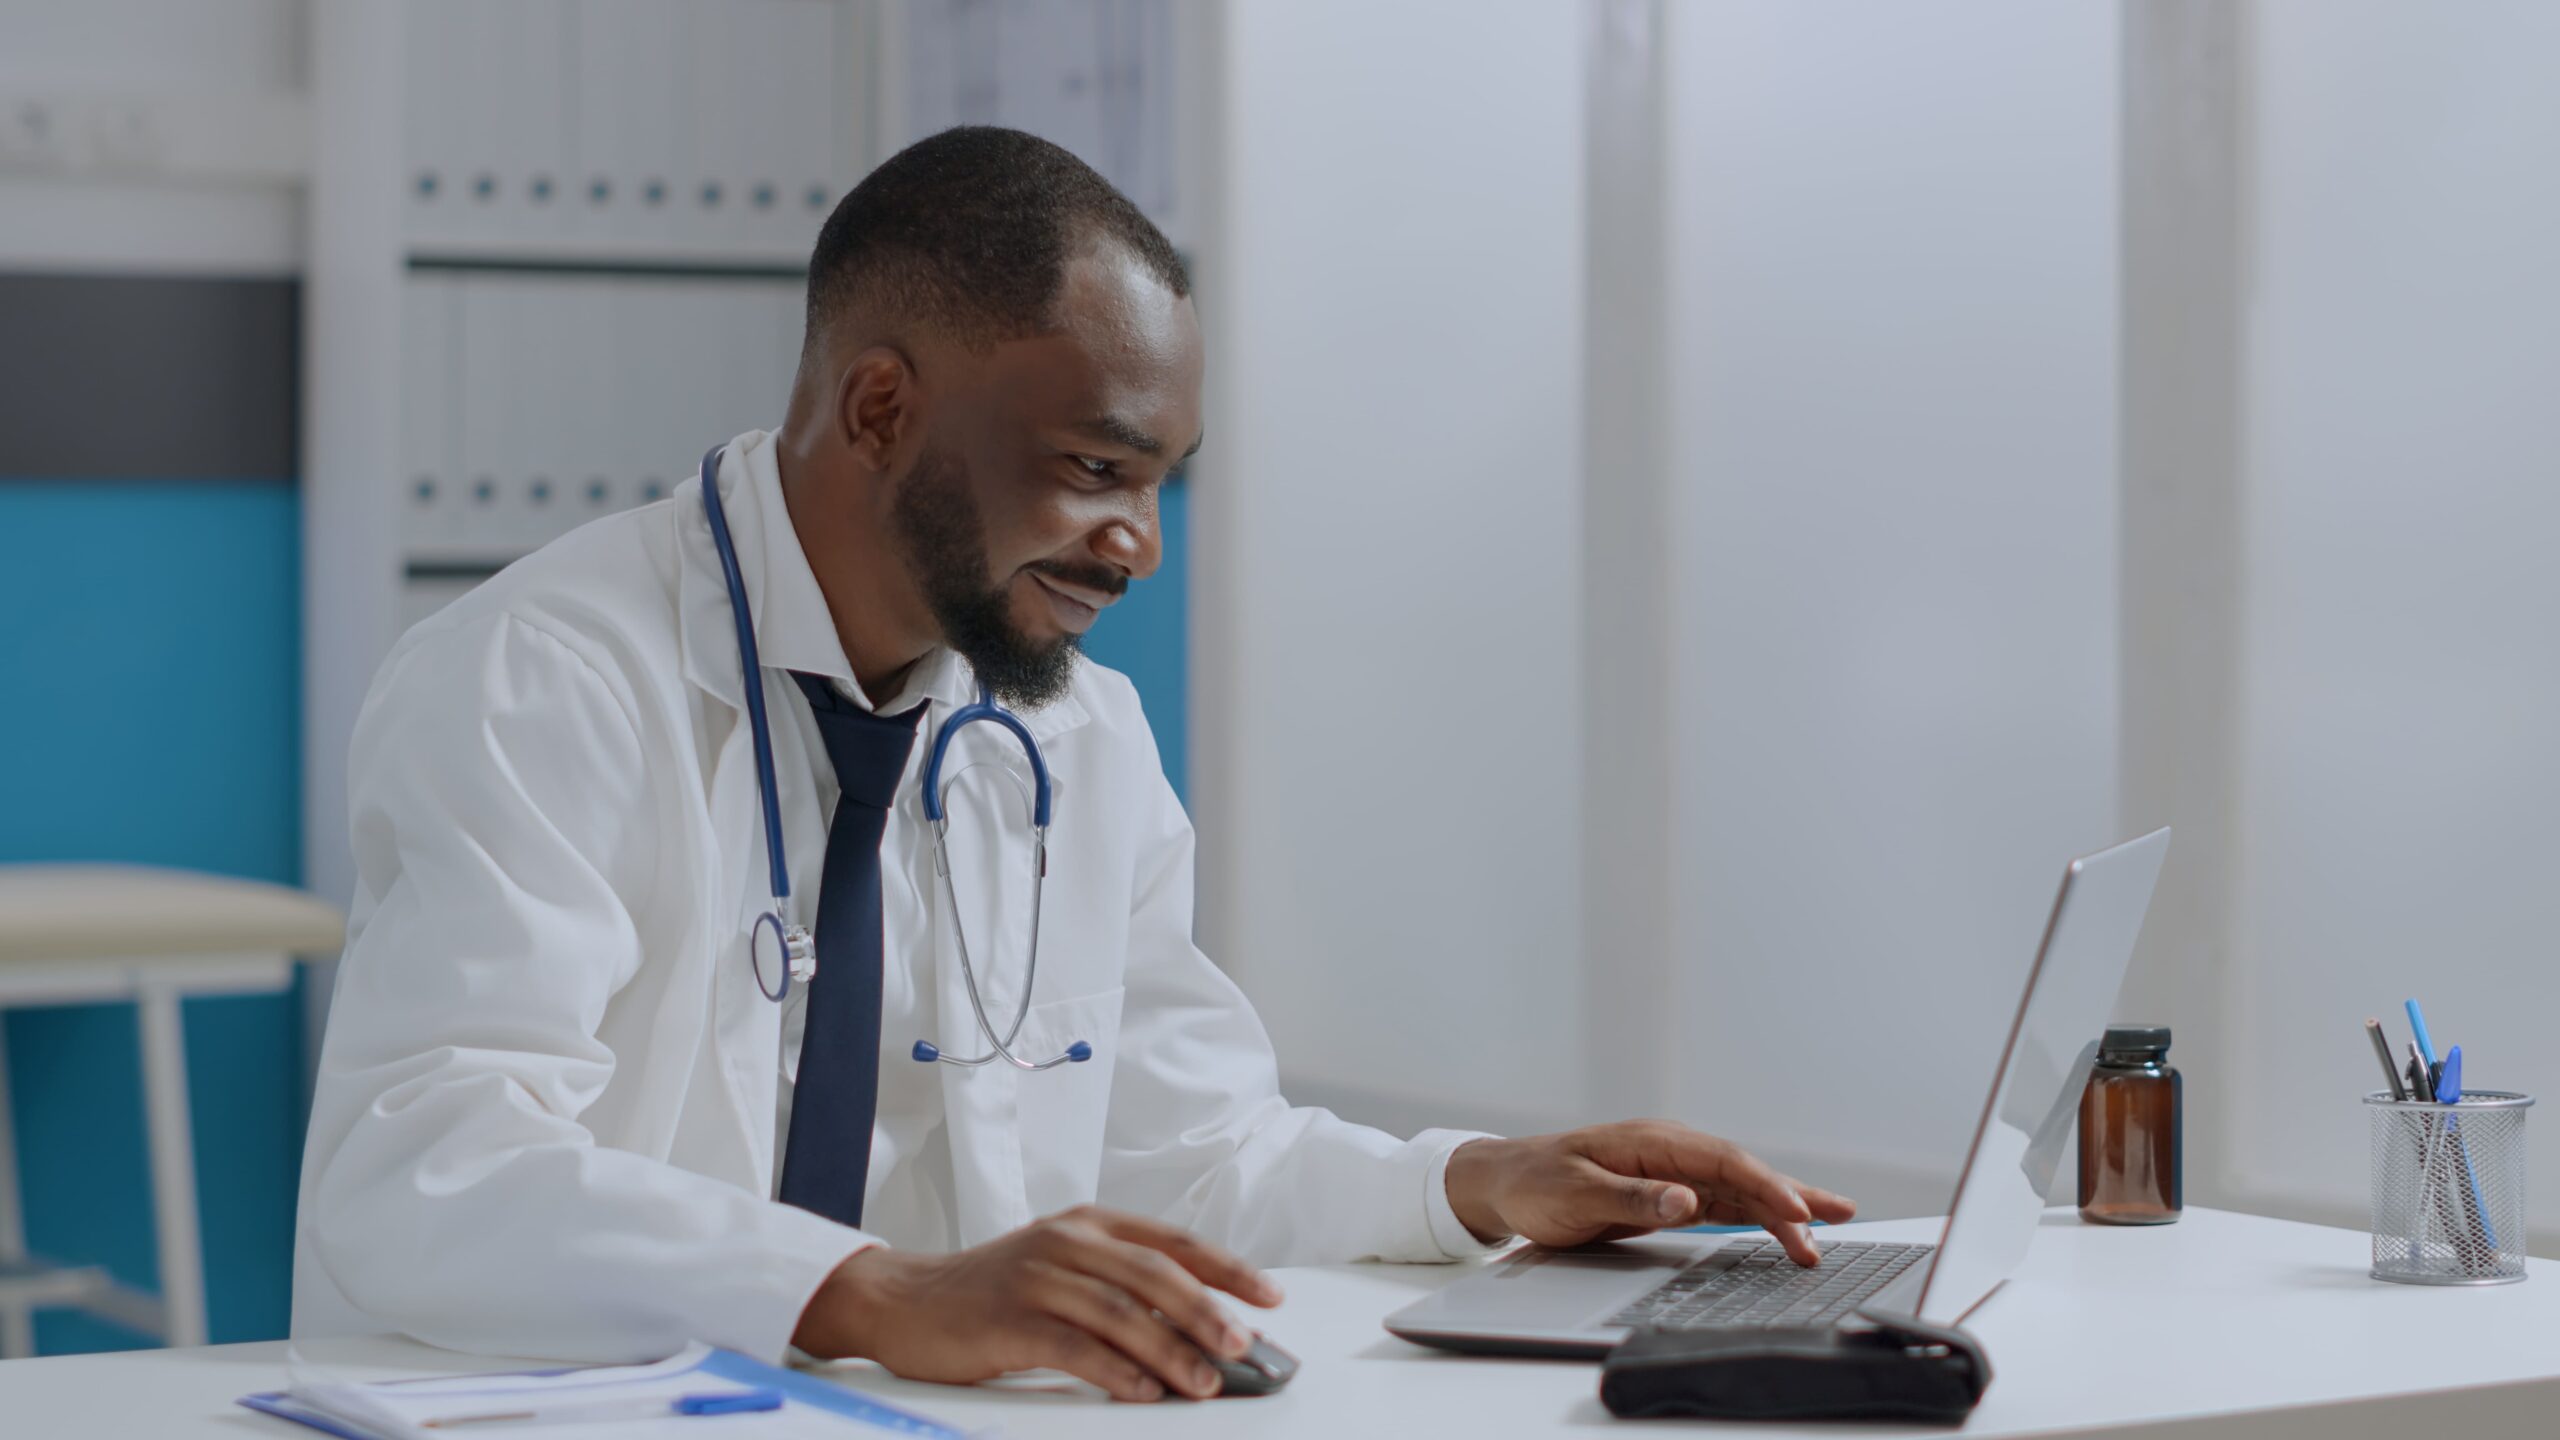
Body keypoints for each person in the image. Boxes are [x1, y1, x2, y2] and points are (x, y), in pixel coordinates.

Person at [293, 126, 1855, 1403]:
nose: (1141, 548)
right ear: (883, 407)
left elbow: (1193, 1147)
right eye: (1097, 470)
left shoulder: (1068, 734)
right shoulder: (542, 679)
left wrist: (1473, 1187)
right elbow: (428, 1163)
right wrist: (871, 1295)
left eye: (1164, 485)